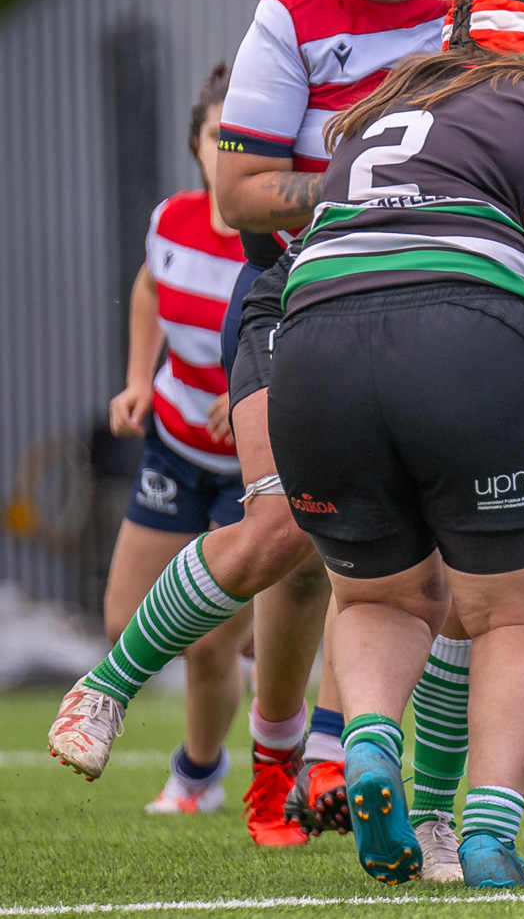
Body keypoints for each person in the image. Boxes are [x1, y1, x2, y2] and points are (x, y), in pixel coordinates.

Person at [48, 0, 524, 873]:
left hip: (366, 313)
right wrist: (430, 194)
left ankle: (357, 774)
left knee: (428, 583)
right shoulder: (289, 19)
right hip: (296, 295)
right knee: (281, 535)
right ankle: (111, 685)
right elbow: (234, 192)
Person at [265, 0, 524, 889]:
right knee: (511, 615)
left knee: (376, 598)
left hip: (313, 350)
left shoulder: (371, 115)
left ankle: (368, 738)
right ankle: (486, 836)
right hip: (461, 342)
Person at [102, 64, 254, 816]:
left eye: (243, 140)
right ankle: (259, 639)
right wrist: (138, 377)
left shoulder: (279, 241)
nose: (228, 153)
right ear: (195, 145)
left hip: (250, 468)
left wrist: (253, 389)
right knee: (125, 622)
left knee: (207, 644)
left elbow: (315, 334)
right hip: (172, 446)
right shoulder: (171, 219)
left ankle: (198, 777)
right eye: (215, 138)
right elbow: (149, 289)